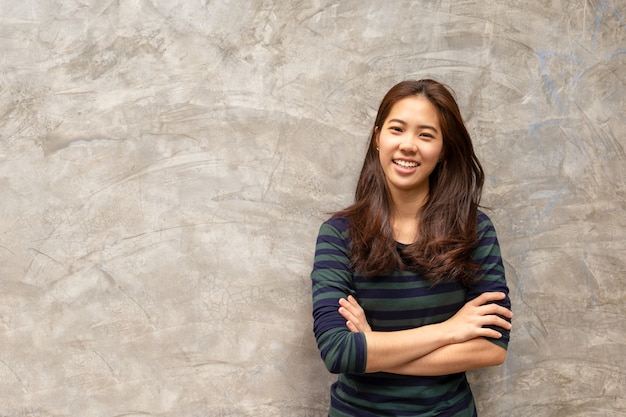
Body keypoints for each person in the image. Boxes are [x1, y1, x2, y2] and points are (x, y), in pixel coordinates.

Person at [310, 79, 512, 417]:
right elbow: (338, 352)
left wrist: (374, 351)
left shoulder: (474, 231)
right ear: (378, 137)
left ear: (444, 148)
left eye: (426, 134)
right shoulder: (338, 234)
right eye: (397, 129)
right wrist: (449, 331)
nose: (408, 145)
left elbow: (492, 347)